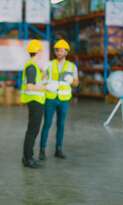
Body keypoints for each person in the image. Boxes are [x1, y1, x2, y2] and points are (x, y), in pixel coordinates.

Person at [20, 39, 58, 169]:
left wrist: (44, 78)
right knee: (32, 131)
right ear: (37, 52)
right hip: (35, 102)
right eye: (41, 50)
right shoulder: (31, 66)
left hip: (36, 101)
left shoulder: (33, 65)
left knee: (32, 130)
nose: (42, 52)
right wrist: (47, 87)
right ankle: (28, 158)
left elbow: (35, 83)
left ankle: (28, 156)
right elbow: (30, 87)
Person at [39, 39, 79, 160]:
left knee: (61, 125)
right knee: (47, 124)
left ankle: (59, 149)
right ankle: (42, 150)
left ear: (66, 52)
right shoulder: (49, 64)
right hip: (50, 98)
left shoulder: (72, 66)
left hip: (63, 100)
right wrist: (43, 72)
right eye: (57, 50)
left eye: (62, 50)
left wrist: (71, 81)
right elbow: (42, 79)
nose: (59, 52)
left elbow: (76, 83)